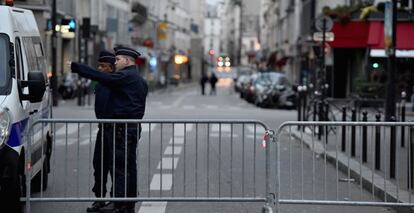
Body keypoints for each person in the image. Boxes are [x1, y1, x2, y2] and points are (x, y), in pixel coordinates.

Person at [70, 46, 148, 213]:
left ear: (127, 61)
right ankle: (127, 203)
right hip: (125, 128)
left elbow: (100, 77)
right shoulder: (137, 78)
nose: (116, 62)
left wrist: (76, 67)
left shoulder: (127, 76)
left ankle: (120, 204)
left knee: (120, 167)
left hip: (122, 129)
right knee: (127, 167)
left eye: (118, 59)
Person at [86, 50, 116, 213]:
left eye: (103, 66)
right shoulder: (100, 83)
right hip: (102, 129)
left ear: (111, 68)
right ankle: (99, 198)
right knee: (99, 165)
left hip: (114, 131)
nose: (99, 69)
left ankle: (115, 199)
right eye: (98, 65)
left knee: (114, 166)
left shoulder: (115, 83)